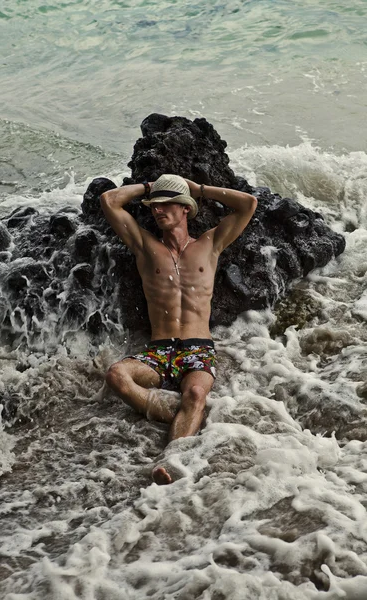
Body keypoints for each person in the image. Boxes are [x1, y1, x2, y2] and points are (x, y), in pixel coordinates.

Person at [100, 174, 257, 484]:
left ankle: (170, 462)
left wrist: (197, 189)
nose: (158, 210)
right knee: (117, 375)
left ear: (186, 208)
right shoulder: (145, 245)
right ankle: (178, 415)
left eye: (167, 203)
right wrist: (149, 188)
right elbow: (109, 201)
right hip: (159, 349)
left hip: (198, 347)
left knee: (196, 391)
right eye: (154, 206)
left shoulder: (210, 244)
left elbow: (248, 204)